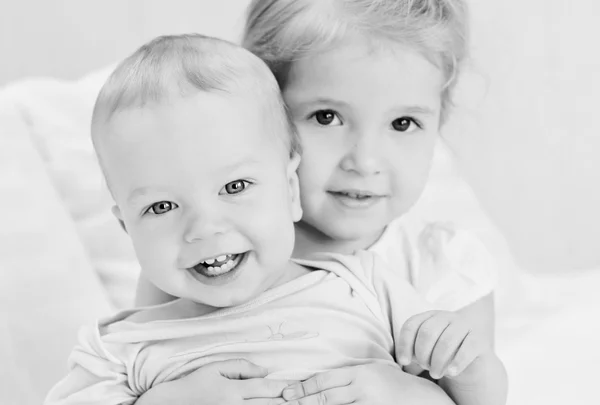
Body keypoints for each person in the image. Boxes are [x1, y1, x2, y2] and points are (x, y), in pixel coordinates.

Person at [44, 33, 484, 405]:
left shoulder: (364, 285)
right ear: (128, 228)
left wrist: (421, 382)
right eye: (161, 207)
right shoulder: (122, 349)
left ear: (290, 190)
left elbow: (476, 395)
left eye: (234, 187)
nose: (205, 228)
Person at [136, 1, 508, 404]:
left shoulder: (443, 265)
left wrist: (410, 391)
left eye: (403, 123)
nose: (365, 161)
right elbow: (134, 370)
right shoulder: (205, 253)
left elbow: (478, 396)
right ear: (259, 116)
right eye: (327, 117)